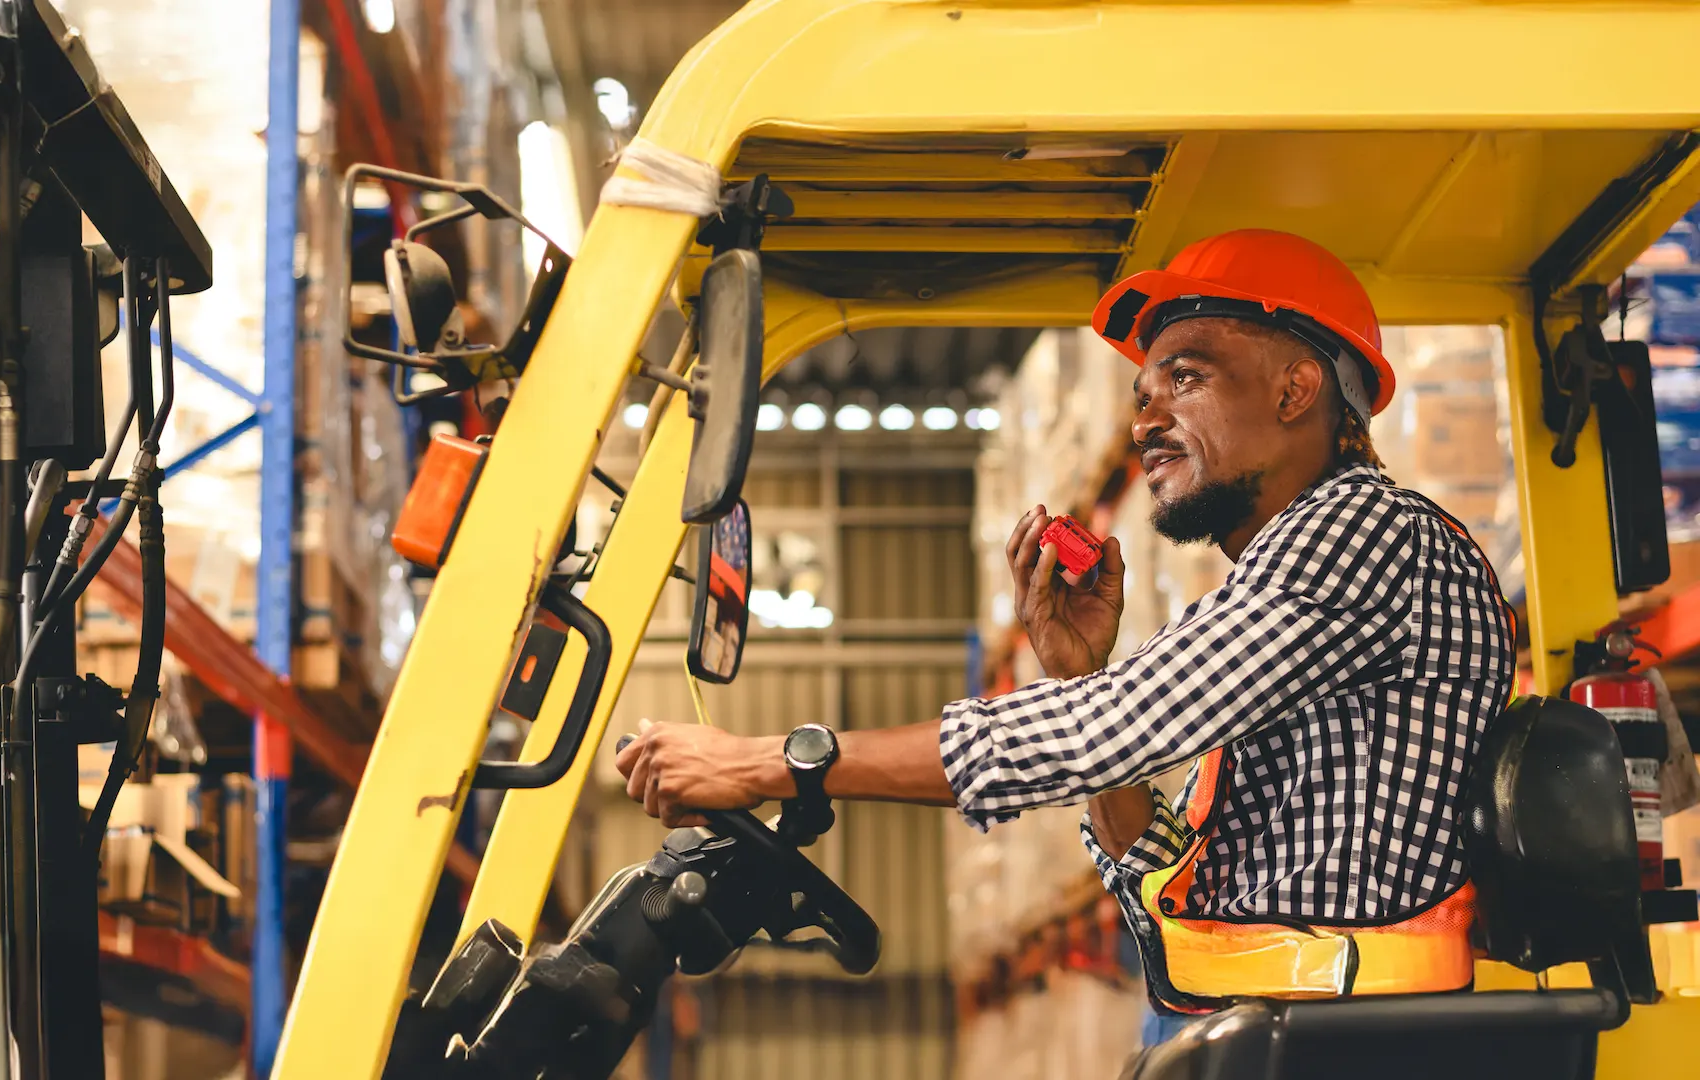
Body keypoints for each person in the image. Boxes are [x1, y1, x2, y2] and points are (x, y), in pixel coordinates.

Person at [615, 229, 1514, 1036]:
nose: (1146, 420)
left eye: (1188, 377)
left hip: (1359, 1046)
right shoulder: (1290, 596)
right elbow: (1159, 862)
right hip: (1289, 1028)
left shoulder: (1364, 533)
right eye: (1142, 392)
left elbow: (1109, 731)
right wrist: (1081, 679)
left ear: (1297, 388)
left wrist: (768, 762)